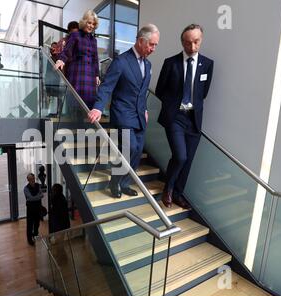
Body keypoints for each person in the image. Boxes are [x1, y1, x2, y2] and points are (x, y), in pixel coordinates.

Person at [88, 24, 160, 198]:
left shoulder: (148, 65)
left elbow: (142, 92)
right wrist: (98, 107)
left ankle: (125, 183)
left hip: (139, 116)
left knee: (137, 152)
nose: (153, 49)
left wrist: (144, 109)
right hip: (123, 114)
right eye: (152, 44)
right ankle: (115, 181)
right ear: (141, 41)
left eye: (155, 45)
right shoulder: (121, 62)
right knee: (131, 148)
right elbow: (107, 87)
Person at [155, 24, 214, 209]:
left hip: (194, 119)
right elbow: (159, 90)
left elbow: (202, 93)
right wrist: (172, 108)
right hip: (175, 118)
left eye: (196, 42)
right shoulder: (170, 63)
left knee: (187, 161)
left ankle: (179, 194)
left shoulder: (208, 64)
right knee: (180, 156)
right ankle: (168, 188)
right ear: (182, 42)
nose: (193, 47)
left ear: (201, 40)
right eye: (188, 43)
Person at [55, 10, 101, 109]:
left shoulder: (94, 40)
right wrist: (61, 60)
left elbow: (95, 59)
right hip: (77, 75)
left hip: (90, 77)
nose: (91, 26)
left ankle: (86, 123)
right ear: (84, 22)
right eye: (89, 22)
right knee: (75, 103)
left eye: (93, 24)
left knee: (88, 106)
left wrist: (97, 75)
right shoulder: (75, 35)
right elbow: (67, 50)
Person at [24, 173, 44, 246]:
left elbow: (42, 195)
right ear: (28, 180)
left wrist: (34, 197)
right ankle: (29, 240)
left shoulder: (38, 185)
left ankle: (35, 235)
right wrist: (37, 196)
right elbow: (30, 198)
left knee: (37, 223)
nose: (31, 180)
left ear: (34, 178)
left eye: (32, 178)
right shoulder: (26, 188)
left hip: (38, 208)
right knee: (29, 225)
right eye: (30, 179)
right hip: (30, 209)